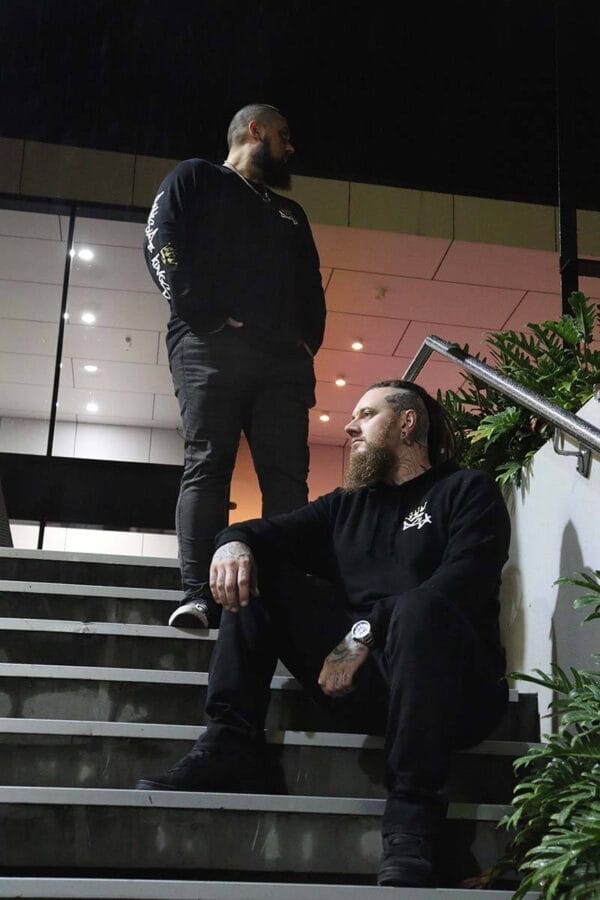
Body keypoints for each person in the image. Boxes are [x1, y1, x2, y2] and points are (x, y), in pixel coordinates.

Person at [136, 380, 510, 888]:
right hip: (367, 684)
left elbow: (461, 583)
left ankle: (412, 817)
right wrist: (232, 543)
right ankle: (230, 743)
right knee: (259, 566)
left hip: (453, 692)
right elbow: (261, 532)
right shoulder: (345, 506)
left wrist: (362, 633)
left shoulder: (467, 490)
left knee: (420, 609)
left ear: (407, 423)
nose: (350, 426)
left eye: (366, 414)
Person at [143, 103, 325, 628]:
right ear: (255, 130)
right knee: (208, 462)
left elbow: (312, 285)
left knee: (287, 479)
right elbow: (161, 239)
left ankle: (283, 597)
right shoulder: (196, 177)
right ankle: (198, 595)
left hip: (282, 363)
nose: (290, 148)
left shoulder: (291, 213)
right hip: (209, 346)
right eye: (284, 135)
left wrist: (307, 344)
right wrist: (204, 314)